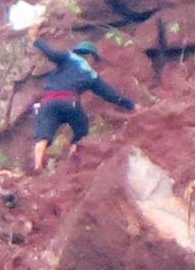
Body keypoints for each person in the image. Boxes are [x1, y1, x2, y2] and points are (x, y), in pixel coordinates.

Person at [28, 24, 134, 172]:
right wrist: (131, 106)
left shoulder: (67, 57)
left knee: (43, 135)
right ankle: (72, 160)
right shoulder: (89, 73)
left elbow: (51, 53)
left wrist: (35, 39)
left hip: (48, 102)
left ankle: (37, 164)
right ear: (91, 56)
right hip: (69, 102)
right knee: (81, 129)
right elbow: (111, 95)